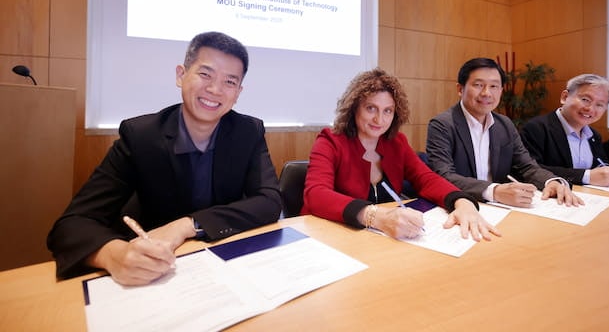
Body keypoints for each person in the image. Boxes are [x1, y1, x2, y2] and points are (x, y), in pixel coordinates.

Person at [47, 32, 282, 285]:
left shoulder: (248, 131)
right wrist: (113, 255)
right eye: (205, 74)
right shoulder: (141, 137)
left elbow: (269, 201)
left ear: (238, 92)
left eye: (229, 82)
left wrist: (188, 225)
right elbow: (71, 225)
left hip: (219, 266)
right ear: (181, 75)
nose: (215, 90)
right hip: (156, 273)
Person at [302, 67, 500, 242]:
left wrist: (462, 201)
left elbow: (426, 178)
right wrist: (374, 216)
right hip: (332, 237)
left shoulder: (396, 143)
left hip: (380, 240)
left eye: (387, 110)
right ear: (354, 108)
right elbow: (316, 194)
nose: (379, 119)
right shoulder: (330, 141)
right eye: (371, 108)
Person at [426, 57, 584, 208]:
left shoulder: (505, 124)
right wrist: (494, 191)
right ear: (460, 89)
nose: (487, 93)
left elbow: (527, 167)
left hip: (500, 208)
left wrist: (551, 182)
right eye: (479, 85)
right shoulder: (442, 125)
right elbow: (443, 175)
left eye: (494, 86)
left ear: (501, 90)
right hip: (461, 205)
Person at [521, 74, 609, 186]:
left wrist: (606, 171)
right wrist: (586, 176)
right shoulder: (537, 128)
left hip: (590, 197)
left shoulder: (594, 136)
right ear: (565, 97)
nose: (590, 109)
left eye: (599, 105)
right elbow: (530, 170)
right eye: (585, 100)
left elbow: (598, 164)